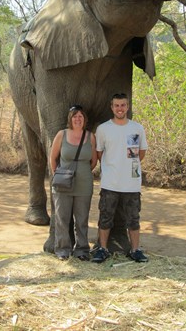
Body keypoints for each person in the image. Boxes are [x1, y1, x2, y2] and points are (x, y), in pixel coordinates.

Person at [92, 93, 149, 263]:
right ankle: (102, 249)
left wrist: (127, 166)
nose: (120, 108)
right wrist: (113, 167)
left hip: (131, 183)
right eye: (117, 105)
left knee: (133, 218)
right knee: (105, 216)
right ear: (111, 107)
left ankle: (135, 250)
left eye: (123, 105)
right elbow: (100, 153)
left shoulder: (137, 128)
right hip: (110, 182)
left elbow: (141, 152)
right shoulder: (103, 129)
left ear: (128, 107)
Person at [50, 105, 97, 261]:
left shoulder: (90, 136)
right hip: (63, 184)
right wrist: (59, 174)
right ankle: (62, 249)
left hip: (84, 184)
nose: (78, 119)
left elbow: (93, 161)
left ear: (84, 119)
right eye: (74, 116)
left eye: (80, 116)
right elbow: (53, 158)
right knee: (62, 218)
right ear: (70, 119)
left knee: (82, 219)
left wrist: (82, 172)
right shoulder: (61, 135)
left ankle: (82, 249)